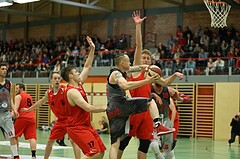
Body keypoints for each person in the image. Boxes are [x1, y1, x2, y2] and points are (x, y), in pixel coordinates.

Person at [117, 11, 183, 159]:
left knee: (145, 144)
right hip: (134, 109)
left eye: (148, 58)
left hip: (147, 112)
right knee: (124, 142)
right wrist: (138, 26)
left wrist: (175, 75)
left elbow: (165, 83)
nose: (145, 60)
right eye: (143, 57)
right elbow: (139, 45)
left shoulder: (152, 75)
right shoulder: (135, 69)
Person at [60, 36, 106, 159]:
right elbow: (88, 108)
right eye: (76, 72)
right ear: (71, 76)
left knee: (101, 152)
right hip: (77, 128)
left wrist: (92, 49)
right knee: (94, 152)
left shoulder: (79, 84)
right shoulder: (72, 92)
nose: (79, 73)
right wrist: (105, 108)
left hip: (86, 125)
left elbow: (87, 67)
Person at [21, 72, 81, 159]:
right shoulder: (48, 93)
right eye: (55, 78)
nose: (57, 80)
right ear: (51, 80)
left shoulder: (66, 90)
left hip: (70, 120)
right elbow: (41, 102)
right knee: (50, 141)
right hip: (60, 121)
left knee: (73, 141)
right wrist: (28, 109)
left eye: (58, 78)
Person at [150, 84, 192, 159]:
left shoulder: (168, 93)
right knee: (155, 146)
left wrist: (171, 123)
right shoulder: (150, 90)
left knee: (168, 147)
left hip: (168, 120)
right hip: (157, 120)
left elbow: (174, 110)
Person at [0, 62, 20, 159]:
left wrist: (14, 109)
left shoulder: (9, 83)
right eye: (2, 69)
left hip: (7, 113)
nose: (5, 71)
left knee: (12, 134)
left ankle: (16, 156)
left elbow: (10, 98)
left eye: (5, 69)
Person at [13, 83, 37, 159]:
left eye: (17, 88)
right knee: (32, 137)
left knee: (14, 136)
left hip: (22, 117)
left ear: (21, 89)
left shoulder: (18, 96)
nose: (15, 90)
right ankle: (33, 156)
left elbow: (15, 109)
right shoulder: (29, 96)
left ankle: (15, 154)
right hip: (32, 118)